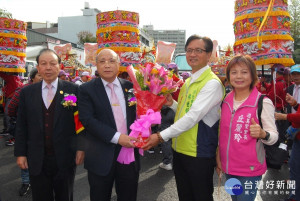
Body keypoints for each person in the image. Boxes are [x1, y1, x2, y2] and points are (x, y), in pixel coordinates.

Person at [143, 35, 224, 201]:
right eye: (189, 50)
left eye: (198, 50)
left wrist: (159, 136)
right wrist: (171, 103)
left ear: (209, 55)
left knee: (200, 196)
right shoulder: (188, 82)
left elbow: (193, 117)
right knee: (185, 196)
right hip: (180, 150)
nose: (192, 54)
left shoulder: (211, 83)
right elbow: (184, 111)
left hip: (199, 153)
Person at [14, 49, 85, 201]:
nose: (48, 68)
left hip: (65, 157)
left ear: (60, 66)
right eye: (43, 64)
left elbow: (80, 122)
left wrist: (81, 148)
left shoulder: (73, 90)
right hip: (36, 157)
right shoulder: (27, 92)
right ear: (38, 67)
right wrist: (20, 153)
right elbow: (21, 125)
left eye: (52, 63)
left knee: (65, 196)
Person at [78, 49, 139, 201]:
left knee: (128, 196)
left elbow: (139, 115)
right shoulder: (86, 89)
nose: (107, 65)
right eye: (102, 61)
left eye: (111, 61)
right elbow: (88, 120)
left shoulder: (131, 87)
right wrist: (118, 138)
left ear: (119, 64)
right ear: (96, 65)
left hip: (129, 153)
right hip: (100, 155)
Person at [217, 55, 278, 201]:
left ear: (252, 76)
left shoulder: (263, 102)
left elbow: (274, 136)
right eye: (234, 72)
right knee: (235, 198)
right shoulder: (225, 101)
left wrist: (263, 134)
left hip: (249, 171)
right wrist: (218, 157)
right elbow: (222, 133)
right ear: (228, 76)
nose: (239, 76)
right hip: (228, 168)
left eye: (244, 72)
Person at [8, 68, 42, 196]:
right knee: (26, 155)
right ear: (32, 77)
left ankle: (36, 181)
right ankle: (26, 182)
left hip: (42, 132)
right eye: (39, 75)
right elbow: (11, 108)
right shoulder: (23, 90)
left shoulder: (49, 90)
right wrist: (19, 117)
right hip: (26, 130)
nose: (42, 77)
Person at [275, 64, 300, 201]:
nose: (295, 77)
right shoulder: (291, 87)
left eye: (298, 74)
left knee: (295, 165)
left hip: (296, 126)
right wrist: (295, 105)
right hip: (296, 129)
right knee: (294, 165)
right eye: (293, 74)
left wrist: (285, 117)